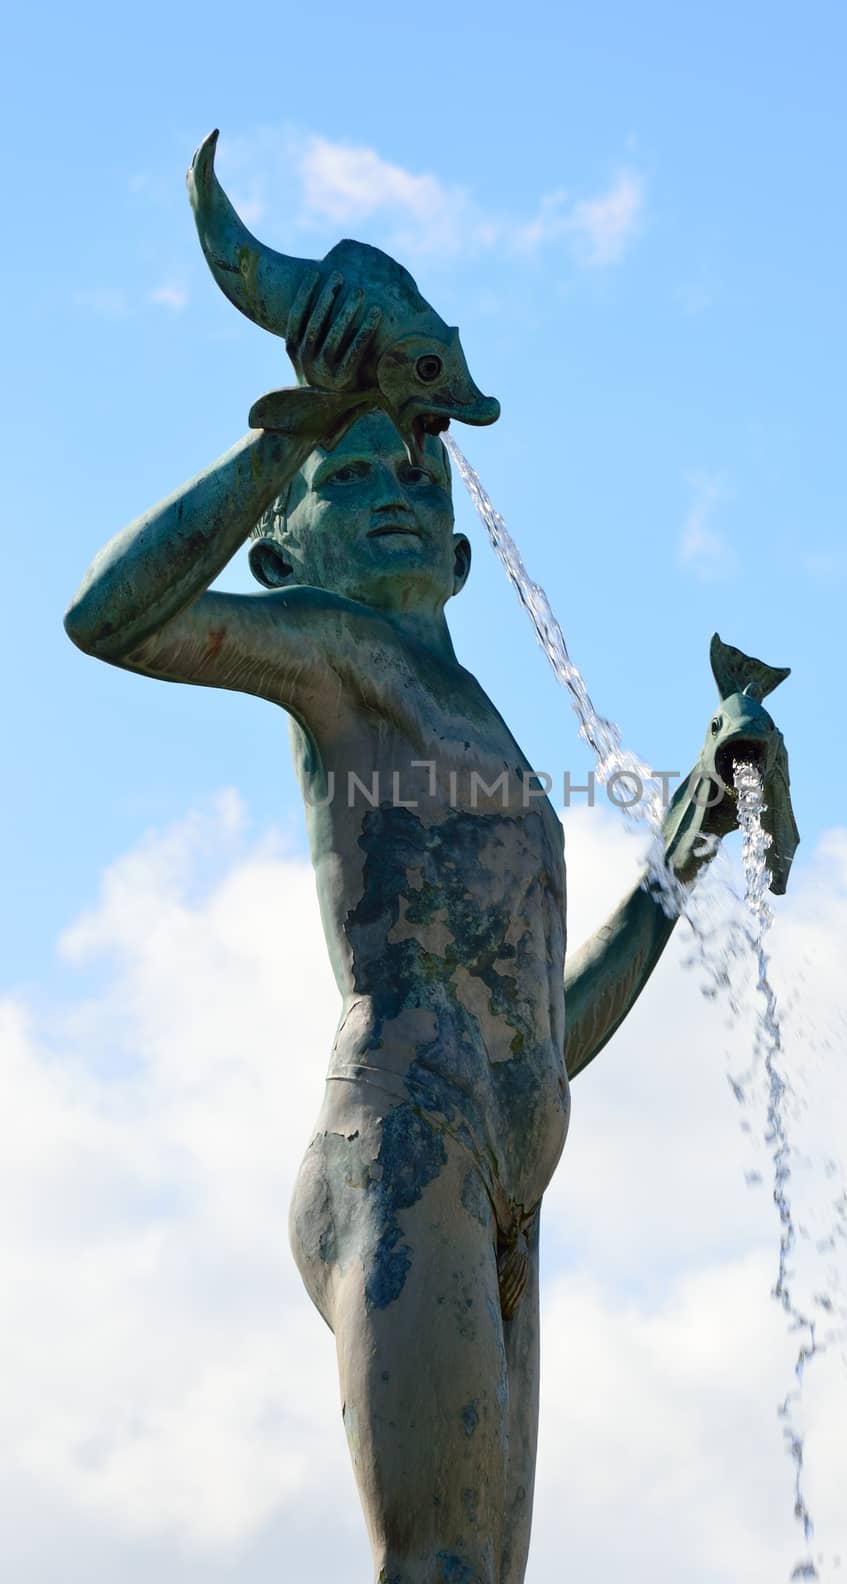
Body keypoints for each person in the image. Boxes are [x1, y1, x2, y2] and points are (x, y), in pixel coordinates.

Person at [65, 273, 730, 1584]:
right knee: (440, 1571)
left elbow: (544, 1027)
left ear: (464, 548)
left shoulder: (493, 739)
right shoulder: (336, 654)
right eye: (344, 464)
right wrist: (289, 427)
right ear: (284, 546)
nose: (388, 476)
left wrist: (683, 852)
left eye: (414, 467)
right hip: (407, 1143)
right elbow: (110, 620)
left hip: (504, 1181)